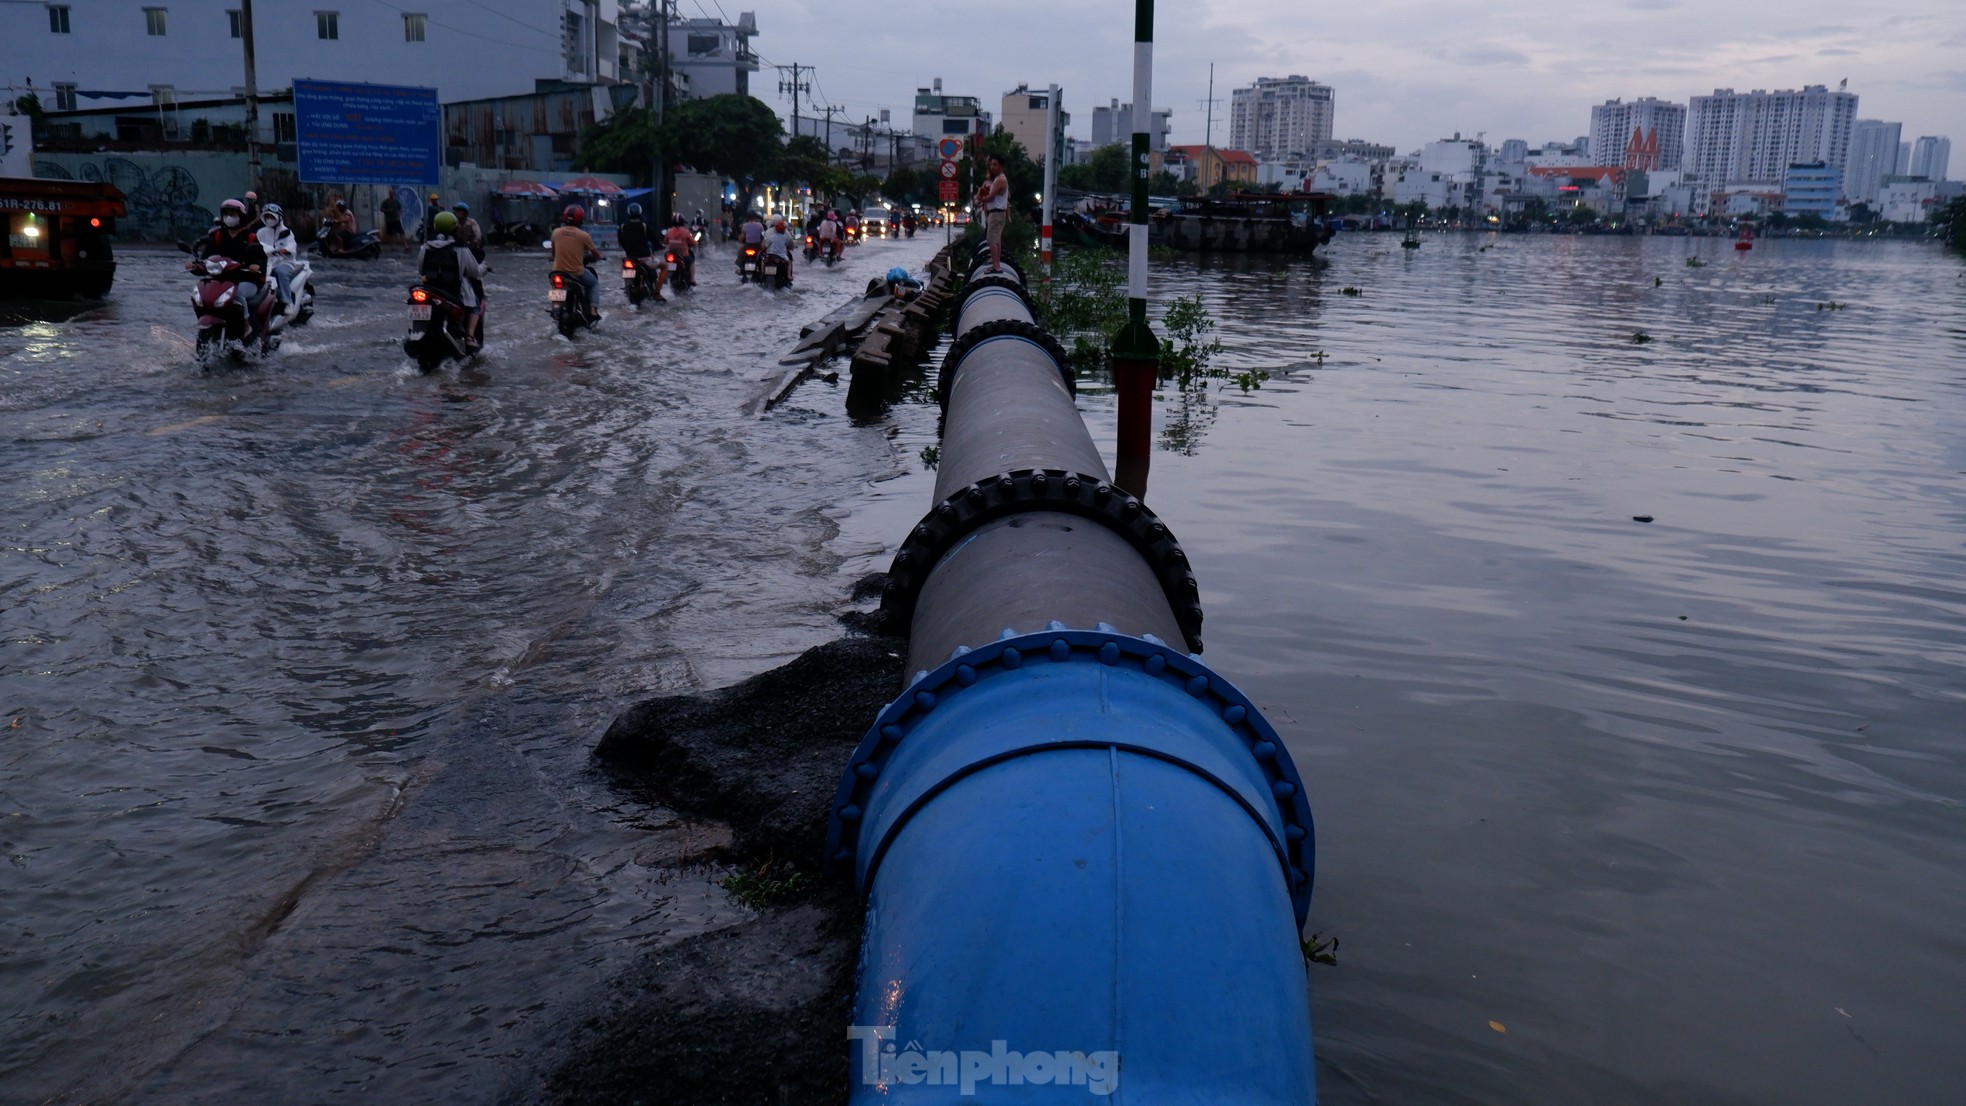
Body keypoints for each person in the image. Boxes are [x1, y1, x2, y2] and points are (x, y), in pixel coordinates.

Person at [192, 198, 270, 337]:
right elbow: (207, 257)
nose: (229, 217)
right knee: (200, 292)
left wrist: (254, 266)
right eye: (226, 214)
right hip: (222, 280)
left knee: (237, 294)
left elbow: (260, 258)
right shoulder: (218, 236)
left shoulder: (251, 237)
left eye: (233, 214)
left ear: (241, 216)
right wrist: (196, 266)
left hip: (246, 280)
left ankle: (245, 325)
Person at [418, 210, 486, 351]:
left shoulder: (426, 245)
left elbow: (420, 269)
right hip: (454, 291)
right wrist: (483, 268)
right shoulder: (461, 247)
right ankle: (470, 337)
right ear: (455, 227)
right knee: (476, 304)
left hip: (430, 289)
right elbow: (474, 271)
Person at [550, 203, 603, 321]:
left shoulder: (556, 232)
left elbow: (553, 254)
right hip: (577, 273)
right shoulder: (583, 235)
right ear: (581, 219)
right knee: (593, 283)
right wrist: (599, 257)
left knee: (554, 285)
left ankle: (555, 307)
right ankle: (593, 309)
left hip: (557, 272)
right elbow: (595, 253)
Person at [254, 202, 301, 307]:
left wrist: (285, 250)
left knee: (281, 272)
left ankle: (287, 302)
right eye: (267, 216)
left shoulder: (286, 232)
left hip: (284, 262)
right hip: (266, 262)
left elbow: (292, 245)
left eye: (272, 217)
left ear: (278, 218)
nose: (270, 219)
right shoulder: (261, 232)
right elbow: (256, 244)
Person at [616, 203, 664, 301]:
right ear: (640, 213)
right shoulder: (645, 226)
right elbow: (655, 242)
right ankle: (657, 293)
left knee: (625, 268)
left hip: (630, 259)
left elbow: (622, 243)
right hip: (645, 259)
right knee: (665, 266)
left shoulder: (622, 228)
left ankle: (627, 288)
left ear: (628, 213)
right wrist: (661, 247)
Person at [977, 155, 1010, 272]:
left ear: (1001, 166)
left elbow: (990, 198)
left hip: (996, 213)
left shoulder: (999, 180)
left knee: (991, 239)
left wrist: (980, 199)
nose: (992, 167)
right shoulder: (995, 180)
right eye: (991, 165)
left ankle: (996, 266)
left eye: (995, 165)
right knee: (996, 239)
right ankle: (996, 262)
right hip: (998, 213)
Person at [663, 213, 697, 288]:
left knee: (666, 264)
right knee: (692, 263)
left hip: (671, 255)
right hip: (683, 255)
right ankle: (692, 279)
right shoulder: (686, 232)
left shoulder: (669, 231)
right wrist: (695, 243)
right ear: (682, 222)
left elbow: (665, 242)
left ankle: (665, 278)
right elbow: (693, 243)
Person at [762, 216, 795, 283]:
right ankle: (788, 276)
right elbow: (790, 243)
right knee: (789, 262)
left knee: (763, 261)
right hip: (781, 255)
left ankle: (762, 274)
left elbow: (766, 244)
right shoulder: (785, 234)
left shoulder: (769, 233)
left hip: (770, 254)